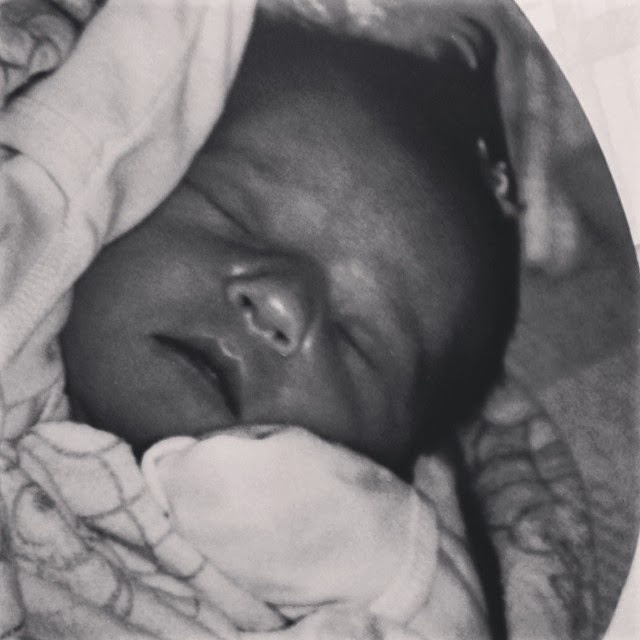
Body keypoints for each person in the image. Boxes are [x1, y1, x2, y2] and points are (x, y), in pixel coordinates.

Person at [0, 3, 519, 639]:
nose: (278, 304)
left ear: (391, 466)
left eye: (358, 342)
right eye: (233, 215)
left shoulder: (364, 583)